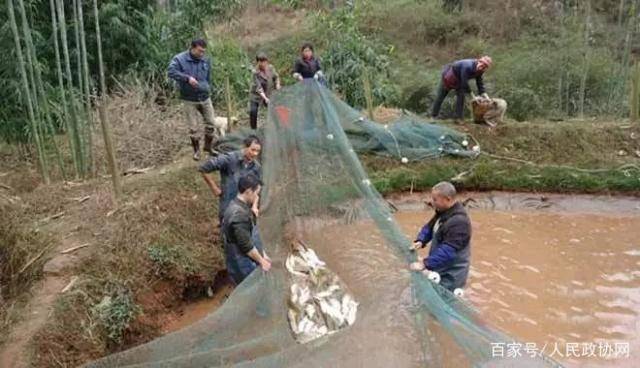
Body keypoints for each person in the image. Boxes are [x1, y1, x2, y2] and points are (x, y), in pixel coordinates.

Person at [409, 181, 472, 292]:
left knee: (446, 299)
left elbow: (447, 251)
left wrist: (424, 263)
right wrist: (421, 240)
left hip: (451, 274)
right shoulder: (443, 212)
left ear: (447, 199)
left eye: (435, 199)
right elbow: (429, 227)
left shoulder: (459, 222)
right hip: (439, 267)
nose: (432, 202)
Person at [168, 39, 218, 160]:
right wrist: (187, 78)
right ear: (192, 48)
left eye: (203, 52)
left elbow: (208, 77)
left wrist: (208, 87)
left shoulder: (206, 60)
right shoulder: (179, 59)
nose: (202, 54)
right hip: (189, 99)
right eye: (200, 51)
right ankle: (196, 151)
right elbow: (171, 71)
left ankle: (208, 147)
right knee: (193, 127)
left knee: (211, 123)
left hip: (205, 97)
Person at [199, 135, 262, 223]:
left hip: (244, 211)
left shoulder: (256, 167)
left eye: (258, 151)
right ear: (245, 147)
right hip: (228, 207)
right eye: (253, 150)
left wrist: (254, 205)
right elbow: (204, 168)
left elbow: (258, 186)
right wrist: (214, 188)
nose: (255, 154)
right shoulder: (229, 159)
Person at [221, 173, 271, 284]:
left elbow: (251, 235)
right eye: (256, 194)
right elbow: (246, 245)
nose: (257, 197)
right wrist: (262, 261)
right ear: (248, 191)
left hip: (243, 259)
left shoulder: (236, 205)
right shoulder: (238, 215)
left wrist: (262, 254)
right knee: (252, 288)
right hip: (242, 263)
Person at [430, 56, 493, 122]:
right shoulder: (467, 66)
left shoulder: (480, 71)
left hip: (459, 80)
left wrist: (486, 97)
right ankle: (433, 116)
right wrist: (473, 97)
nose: (482, 67)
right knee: (441, 96)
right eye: (482, 64)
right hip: (449, 77)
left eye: (484, 67)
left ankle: (458, 118)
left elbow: (480, 83)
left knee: (461, 97)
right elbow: (464, 82)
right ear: (479, 61)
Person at [249, 53, 281, 130]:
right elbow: (259, 88)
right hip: (256, 96)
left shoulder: (271, 68)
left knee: (275, 109)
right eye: (261, 61)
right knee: (253, 112)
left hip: (268, 93)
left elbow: (276, 77)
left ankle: (278, 128)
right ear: (258, 62)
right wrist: (265, 98)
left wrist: (277, 84)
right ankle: (253, 130)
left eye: (264, 61)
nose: (263, 63)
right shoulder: (255, 73)